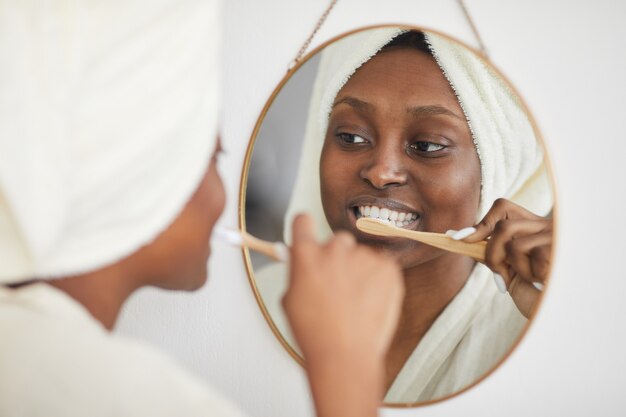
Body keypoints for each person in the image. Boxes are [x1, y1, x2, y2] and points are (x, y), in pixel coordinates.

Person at [0, 3, 405, 417]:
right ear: (143, 174)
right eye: (213, 157)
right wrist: (345, 364)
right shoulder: (128, 401)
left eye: (426, 146)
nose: (382, 173)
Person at [256, 28, 554, 403]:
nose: (382, 172)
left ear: (496, 171)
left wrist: (567, 312)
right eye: (350, 136)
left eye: (427, 145)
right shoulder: (254, 304)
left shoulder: (543, 336)